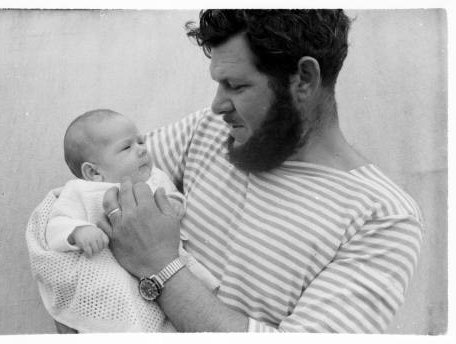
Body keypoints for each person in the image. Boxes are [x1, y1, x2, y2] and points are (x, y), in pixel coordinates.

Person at [98, 9, 424, 333]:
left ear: (305, 79)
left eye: (236, 86)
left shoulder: (382, 217)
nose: (217, 105)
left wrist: (159, 264)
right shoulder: (208, 131)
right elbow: (93, 188)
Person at [26, 109, 218, 333]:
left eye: (141, 142)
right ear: (94, 173)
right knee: (117, 299)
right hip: (107, 267)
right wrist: (79, 231)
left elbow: (173, 196)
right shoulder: (82, 191)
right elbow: (57, 223)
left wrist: (175, 203)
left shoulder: (154, 177)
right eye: (128, 147)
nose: (142, 149)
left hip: (158, 266)